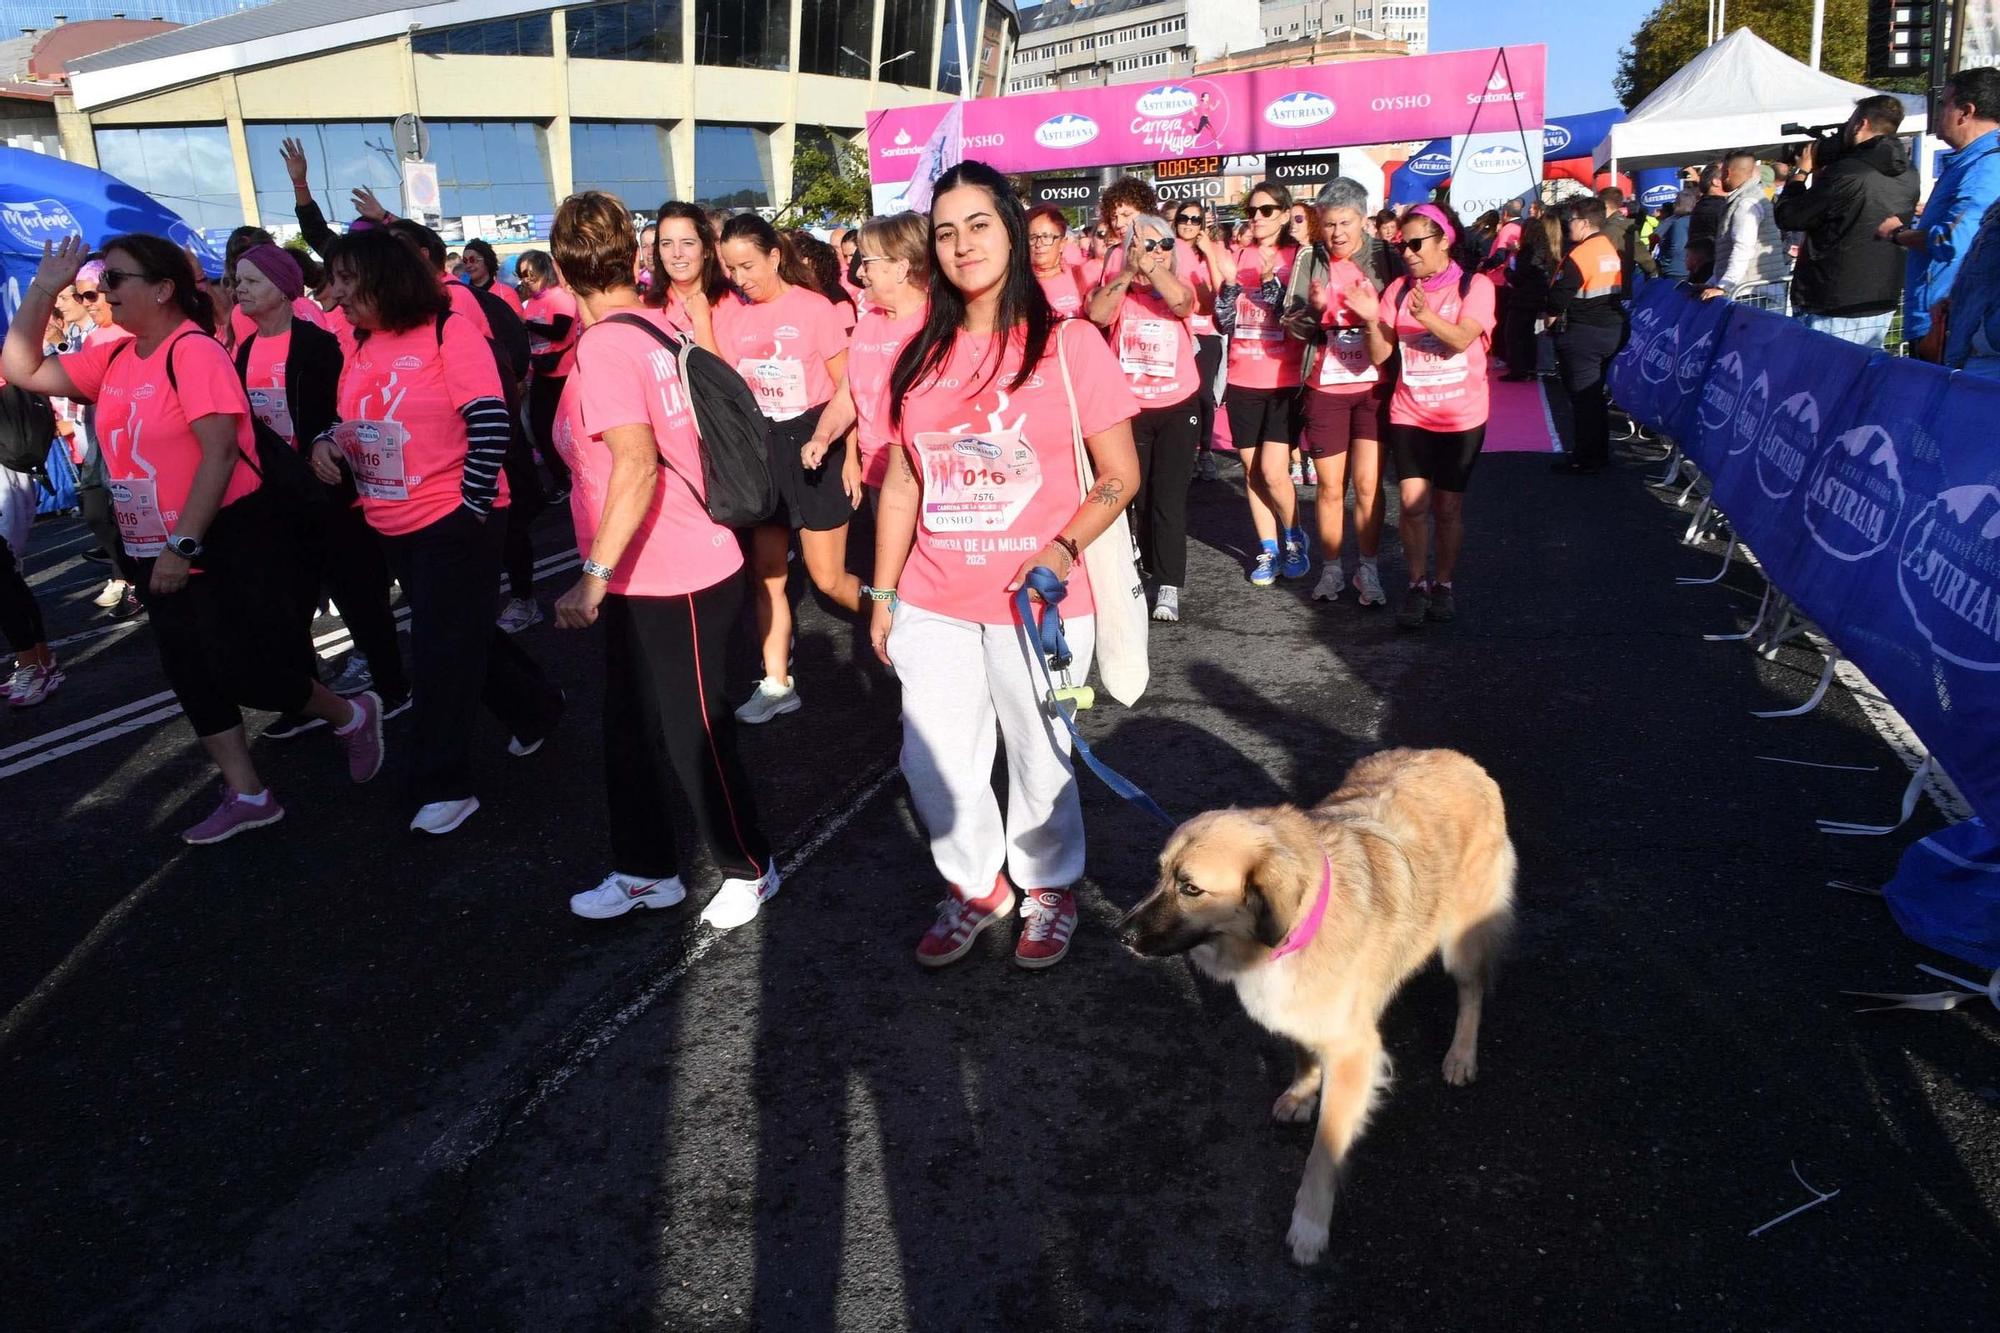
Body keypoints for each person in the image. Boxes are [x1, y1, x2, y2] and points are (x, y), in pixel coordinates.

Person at [5, 233, 385, 841]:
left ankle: (349, 711)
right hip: (147, 544)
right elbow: (19, 367)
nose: (103, 293)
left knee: (246, 672)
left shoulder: (194, 352)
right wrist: (45, 287)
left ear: (160, 289)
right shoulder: (115, 357)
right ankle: (249, 793)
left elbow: (218, 454)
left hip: (220, 538)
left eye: (115, 281)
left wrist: (183, 545)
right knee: (190, 672)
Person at [875, 160, 1140, 970]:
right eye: (946, 231)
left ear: (1012, 232)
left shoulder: (1068, 343)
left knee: (1039, 752)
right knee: (934, 759)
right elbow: (902, 480)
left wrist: (1058, 549)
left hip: (1043, 601)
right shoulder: (917, 355)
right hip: (934, 597)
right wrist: (883, 594)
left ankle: (1049, 882)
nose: (962, 245)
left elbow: (1120, 474)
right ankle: (973, 884)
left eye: (978, 224)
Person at [544, 191, 781, 931]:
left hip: (669, 571)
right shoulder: (653, 321)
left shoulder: (608, 344)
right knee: (629, 727)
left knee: (693, 733)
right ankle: (646, 870)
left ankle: (751, 865)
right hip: (656, 569)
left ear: (559, 265)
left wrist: (593, 576)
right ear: (634, 255)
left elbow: (637, 466)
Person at [310, 228, 562, 835]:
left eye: (347, 281)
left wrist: (472, 507)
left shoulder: (451, 330)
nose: (336, 294)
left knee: (438, 648)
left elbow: (490, 422)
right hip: (390, 517)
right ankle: (537, 710)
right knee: (461, 629)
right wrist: (326, 441)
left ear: (383, 280)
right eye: (334, 281)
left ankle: (443, 781)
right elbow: (355, 421)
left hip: (454, 518)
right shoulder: (361, 344)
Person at [231, 241, 412, 731]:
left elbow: (344, 408)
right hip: (276, 499)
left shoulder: (317, 344)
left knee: (358, 596)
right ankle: (305, 703)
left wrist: (321, 444)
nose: (240, 289)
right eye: (238, 281)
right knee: (288, 607)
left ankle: (394, 688)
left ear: (284, 288)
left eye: (252, 281)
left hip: (327, 493)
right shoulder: (244, 350)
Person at [712, 213, 859, 724]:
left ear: (775, 256)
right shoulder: (730, 316)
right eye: (731, 268)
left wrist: (853, 457)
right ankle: (776, 683)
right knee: (768, 576)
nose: (740, 277)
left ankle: (904, 626)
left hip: (817, 442)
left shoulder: (815, 308)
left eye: (748, 265)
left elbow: (849, 388)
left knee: (829, 579)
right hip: (763, 451)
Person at [1342, 203, 1496, 629]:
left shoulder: (1475, 285)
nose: (1407, 252)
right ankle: (1416, 584)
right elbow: (1381, 355)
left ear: (1443, 241)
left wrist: (1425, 315)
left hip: (1461, 416)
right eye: (1401, 244)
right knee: (1412, 506)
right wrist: (1373, 320)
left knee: (1447, 508)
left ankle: (1444, 585)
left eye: (1416, 243)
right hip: (1410, 412)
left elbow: (1464, 339)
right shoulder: (1397, 289)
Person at [1092, 211, 1199, 623]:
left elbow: (1182, 302)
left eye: (1162, 244)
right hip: (1130, 408)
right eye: (1144, 245)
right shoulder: (1119, 289)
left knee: (1168, 498)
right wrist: (1126, 271)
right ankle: (1135, 571)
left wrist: (1152, 267)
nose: (1153, 252)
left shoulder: (1177, 284)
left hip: (1177, 406)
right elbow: (1098, 315)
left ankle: (1168, 584)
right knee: (1132, 497)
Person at [1292, 177, 1391, 608]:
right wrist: (1313, 314)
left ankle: (1367, 570)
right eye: (1329, 224)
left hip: (1373, 388)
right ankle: (1332, 570)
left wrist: (1373, 317)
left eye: (1345, 223)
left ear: (1363, 219)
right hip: (1325, 386)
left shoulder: (1386, 258)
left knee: (1369, 485)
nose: (1336, 233)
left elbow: (1403, 318)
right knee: (1332, 488)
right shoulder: (1309, 258)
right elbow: (1291, 322)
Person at [1215, 180, 1309, 587]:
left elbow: (1296, 318)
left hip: (1283, 379)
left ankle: (1294, 538)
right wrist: (1229, 286)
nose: (1258, 217)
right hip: (1242, 377)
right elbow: (1224, 320)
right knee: (1254, 472)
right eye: (1253, 210)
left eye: (1267, 210)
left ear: (1285, 214)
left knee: (1274, 471)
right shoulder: (1239, 255)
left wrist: (1272, 283)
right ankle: (1268, 549)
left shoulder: (1300, 258)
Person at [1772, 96, 1919, 349]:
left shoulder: (1848, 173)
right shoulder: (1909, 173)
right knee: (1859, 383)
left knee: (1820, 383)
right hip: (1879, 300)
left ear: (1860, 124)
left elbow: (1789, 216)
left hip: (1832, 301)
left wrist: (1801, 173)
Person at [802, 211, 931, 492]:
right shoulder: (869, 322)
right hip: (876, 477)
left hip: (926, 483)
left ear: (901, 267)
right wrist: (822, 436)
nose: (859, 272)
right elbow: (848, 396)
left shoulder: (938, 326)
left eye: (867, 262)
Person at [1882, 66, 2000, 353]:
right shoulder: (1971, 162)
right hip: (1943, 320)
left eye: (1944, 103)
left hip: (1948, 325)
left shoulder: (1985, 167)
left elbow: (1955, 240)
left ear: (1965, 112)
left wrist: (1900, 234)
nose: (1938, 113)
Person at [1546, 198, 1628, 475]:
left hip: (1583, 333)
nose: (1569, 225)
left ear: (1584, 222)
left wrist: (1549, 319)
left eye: (1571, 220)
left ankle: (1586, 456)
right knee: (1593, 397)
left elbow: (1558, 297)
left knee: (1583, 398)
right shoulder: (1609, 248)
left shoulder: (1580, 255)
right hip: (1610, 329)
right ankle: (1597, 452)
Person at [1170, 202, 1233, 480]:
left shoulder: (1214, 249)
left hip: (1207, 332)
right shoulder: (1168, 246)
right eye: (1184, 218)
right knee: (1180, 395)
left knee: (1204, 395)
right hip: (1178, 329)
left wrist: (1209, 254)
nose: (1189, 223)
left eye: (1196, 220)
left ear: (1202, 225)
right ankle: (1181, 453)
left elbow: (1222, 292)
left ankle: (1205, 452)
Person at [515, 249, 578, 498]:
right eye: (521, 275)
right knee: (541, 429)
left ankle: (572, 477)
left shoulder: (560, 297)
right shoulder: (532, 302)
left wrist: (526, 325)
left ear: (543, 270)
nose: (526, 279)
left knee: (566, 429)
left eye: (530, 273)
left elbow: (560, 332)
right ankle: (561, 479)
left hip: (564, 373)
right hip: (542, 372)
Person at [1701, 151, 1789, 302]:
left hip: (1752, 294)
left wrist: (1723, 286)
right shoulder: (1751, 197)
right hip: (1756, 291)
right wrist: (1711, 283)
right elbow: (1728, 252)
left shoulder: (1746, 203)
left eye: (1722, 172)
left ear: (1727, 172)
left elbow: (1743, 247)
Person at [648, 200, 729, 344]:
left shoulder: (733, 304)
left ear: (707, 250)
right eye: (667, 244)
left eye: (687, 243)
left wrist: (701, 321)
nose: (677, 253)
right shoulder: (645, 307)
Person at [1027, 205, 1090, 318]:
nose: (1039, 244)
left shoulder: (1080, 276)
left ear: (1062, 243)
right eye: (1032, 237)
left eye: (1046, 237)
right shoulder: (1018, 283)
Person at [1598, 187, 1659, 283]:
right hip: (1619, 280)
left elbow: (1641, 255)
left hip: (1613, 280)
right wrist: (1652, 271)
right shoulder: (1624, 225)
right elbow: (1643, 257)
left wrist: (1652, 271)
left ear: (1605, 206)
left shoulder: (1612, 228)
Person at [460, 239, 525, 317]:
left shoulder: (506, 293)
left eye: (472, 260)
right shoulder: (462, 293)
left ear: (487, 261)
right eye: (465, 261)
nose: (468, 265)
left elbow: (518, 324)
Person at [1688, 163, 1730, 258]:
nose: (1729, 178)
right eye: (1725, 174)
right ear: (1716, 182)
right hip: (1715, 264)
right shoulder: (1719, 207)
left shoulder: (1702, 205)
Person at [1652, 189, 1695, 283]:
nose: (1674, 205)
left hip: (1675, 270)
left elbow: (1677, 247)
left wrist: (1664, 262)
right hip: (1686, 268)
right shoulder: (1694, 220)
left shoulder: (1678, 223)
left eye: (1676, 202)